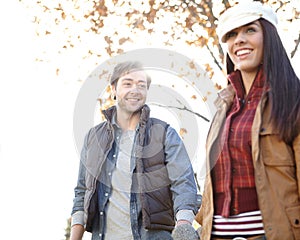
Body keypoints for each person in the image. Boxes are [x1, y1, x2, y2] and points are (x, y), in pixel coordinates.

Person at [195, 1, 300, 240]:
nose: (239, 40)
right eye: (231, 35)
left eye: (250, 30)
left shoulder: (293, 100)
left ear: (269, 37)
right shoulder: (224, 107)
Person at [70, 60, 199, 240]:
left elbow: (183, 183)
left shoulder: (164, 134)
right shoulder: (93, 138)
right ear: (113, 89)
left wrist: (183, 228)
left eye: (141, 85)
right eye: (127, 83)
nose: (135, 90)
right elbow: (82, 191)